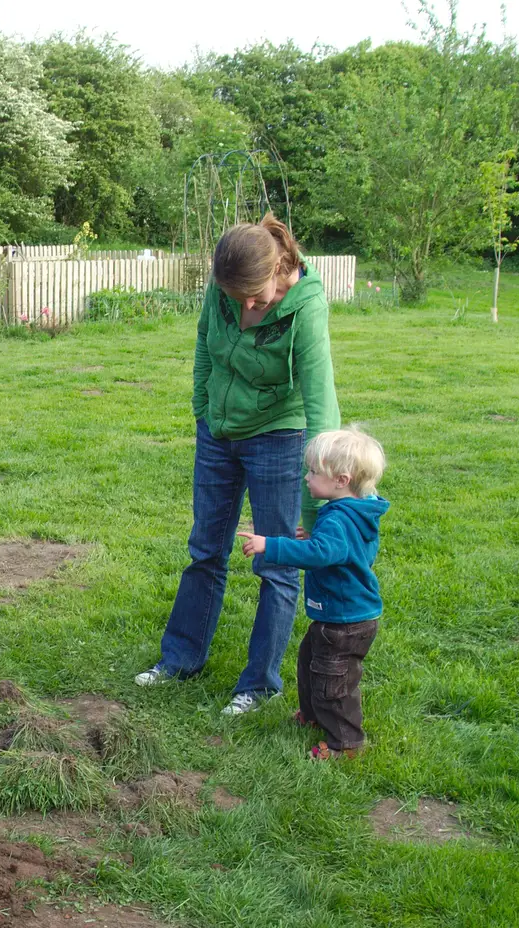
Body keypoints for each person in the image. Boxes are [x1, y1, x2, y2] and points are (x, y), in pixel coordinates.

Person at [136, 213, 339, 715]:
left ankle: (258, 684)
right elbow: (205, 345)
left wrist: (318, 516)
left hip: (277, 436)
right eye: (236, 297)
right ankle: (180, 660)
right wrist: (203, 410)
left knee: (277, 563)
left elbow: (321, 402)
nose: (245, 305)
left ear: (279, 269)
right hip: (218, 433)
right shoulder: (226, 286)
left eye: (255, 296)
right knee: (205, 548)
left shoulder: (306, 309)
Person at [237, 427, 388, 757]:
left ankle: (346, 743)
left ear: (341, 480)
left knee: (333, 681)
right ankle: (313, 716)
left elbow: (322, 554)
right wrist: (315, 537)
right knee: (309, 662)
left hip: (345, 620)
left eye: (314, 472)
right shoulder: (355, 511)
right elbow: (341, 550)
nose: (307, 478)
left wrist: (271, 545)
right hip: (340, 615)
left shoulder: (338, 520)